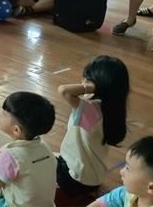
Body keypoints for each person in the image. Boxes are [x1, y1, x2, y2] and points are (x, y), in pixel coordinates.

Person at [57, 56, 130, 200]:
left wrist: (91, 87)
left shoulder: (89, 110)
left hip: (75, 179)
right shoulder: (114, 109)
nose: (82, 82)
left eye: (87, 80)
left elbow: (63, 90)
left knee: (39, 158)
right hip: (95, 178)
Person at [87, 135, 153, 207]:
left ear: (152, 188)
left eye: (128, 168)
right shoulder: (128, 192)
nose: (121, 171)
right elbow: (104, 203)